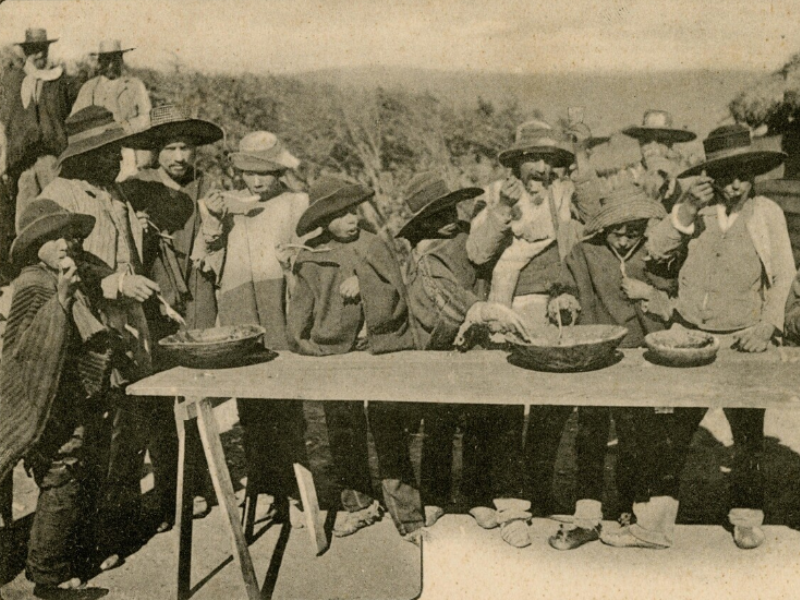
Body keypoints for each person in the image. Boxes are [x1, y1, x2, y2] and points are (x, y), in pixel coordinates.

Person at [623, 123, 795, 550]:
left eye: (742, 175)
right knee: (674, 433)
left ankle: (746, 517)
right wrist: (681, 210)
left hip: (742, 337)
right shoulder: (694, 211)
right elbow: (656, 252)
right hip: (689, 335)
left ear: (753, 173)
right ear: (710, 176)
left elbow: (784, 274)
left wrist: (767, 326)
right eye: (724, 175)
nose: (734, 185)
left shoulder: (766, 214)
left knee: (748, 433)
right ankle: (657, 524)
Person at [37, 105, 161, 569]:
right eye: (107, 151)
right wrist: (111, 283)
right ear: (83, 154)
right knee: (97, 439)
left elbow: (125, 252)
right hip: (91, 327)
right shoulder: (59, 195)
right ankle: (86, 544)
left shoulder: (114, 194)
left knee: (130, 430)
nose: (116, 159)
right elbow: (56, 260)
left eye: (117, 150)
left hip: (130, 325)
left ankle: (119, 529)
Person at [543, 185, 685, 550]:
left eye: (632, 232)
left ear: (643, 230)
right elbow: (565, 285)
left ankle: (627, 512)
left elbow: (671, 299)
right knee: (589, 434)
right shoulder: (584, 252)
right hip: (596, 357)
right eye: (616, 233)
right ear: (602, 230)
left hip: (639, 358)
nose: (623, 240)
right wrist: (564, 299)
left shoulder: (655, 258)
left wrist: (648, 293)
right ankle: (587, 516)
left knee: (635, 437)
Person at [466, 119, 588, 541]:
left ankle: (536, 491)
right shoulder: (497, 197)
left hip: (551, 311)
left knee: (549, 410)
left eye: (549, 159)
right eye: (531, 158)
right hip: (505, 310)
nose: (540, 166)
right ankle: (512, 507)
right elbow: (478, 252)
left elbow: (579, 249)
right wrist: (501, 210)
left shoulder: (566, 198)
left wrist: (564, 290)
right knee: (505, 408)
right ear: (516, 164)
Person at [398, 172, 533, 546]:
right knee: (439, 421)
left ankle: (477, 495)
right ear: (421, 221)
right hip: (439, 341)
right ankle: (435, 495)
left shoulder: (468, 233)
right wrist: (480, 310)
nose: (443, 221)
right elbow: (444, 298)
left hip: (479, 338)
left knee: (482, 419)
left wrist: (502, 208)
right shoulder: (423, 254)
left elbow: (486, 243)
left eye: (446, 211)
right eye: (433, 215)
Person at [287, 176, 417, 538]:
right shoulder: (312, 258)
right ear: (323, 220)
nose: (351, 220)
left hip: (379, 350)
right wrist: (313, 349)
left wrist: (366, 282)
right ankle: (359, 504)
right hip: (335, 355)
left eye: (353, 212)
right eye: (340, 214)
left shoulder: (374, 245)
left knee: (389, 428)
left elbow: (398, 291)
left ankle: (407, 514)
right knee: (342, 430)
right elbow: (299, 316)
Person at [193, 130, 309, 524]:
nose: (256, 182)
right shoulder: (227, 204)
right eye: (248, 173)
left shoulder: (296, 203)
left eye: (265, 173)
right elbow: (208, 256)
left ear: (279, 171)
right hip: (241, 302)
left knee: (285, 394)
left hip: (279, 302)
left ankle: (294, 486)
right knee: (252, 401)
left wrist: (292, 257)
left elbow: (306, 249)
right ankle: (264, 484)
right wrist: (211, 220)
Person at [0, 199, 110, 593]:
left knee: (68, 471)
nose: (65, 242)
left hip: (63, 395)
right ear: (34, 245)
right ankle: (47, 580)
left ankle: (48, 564)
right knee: (61, 472)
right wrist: (62, 300)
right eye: (53, 236)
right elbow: (26, 349)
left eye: (68, 235)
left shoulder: (59, 274)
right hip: (42, 399)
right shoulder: (34, 282)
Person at [127, 103, 226, 526]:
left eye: (185, 147)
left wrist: (214, 232)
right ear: (156, 152)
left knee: (197, 391)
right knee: (161, 402)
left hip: (199, 296)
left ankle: (201, 485)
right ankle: (171, 497)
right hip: (155, 302)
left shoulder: (210, 189)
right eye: (169, 148)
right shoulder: (136, 188)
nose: (178, 158)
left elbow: (223, 242)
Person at [0, 28, 71, 266]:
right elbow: (9, 121)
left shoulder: (59, 81)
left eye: (43, 49)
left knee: (54, 209)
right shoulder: (14, 80)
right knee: (25, 212)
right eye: (33, 50)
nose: (39, 54)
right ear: (26, 52)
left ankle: (57, 261)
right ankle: (27, 264)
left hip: (50, 157)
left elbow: (65, 116)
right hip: (24, 160)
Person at [71, 40, 152, 181]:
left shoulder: (135, 86)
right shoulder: (89, 87)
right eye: (106, 60)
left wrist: (125, 127)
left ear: (121, 60)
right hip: (97, 150)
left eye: (115, 59)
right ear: (99, 62)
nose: (111, 65)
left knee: (127, 185)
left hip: (127, 148)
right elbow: (76, 119)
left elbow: (147, 117)